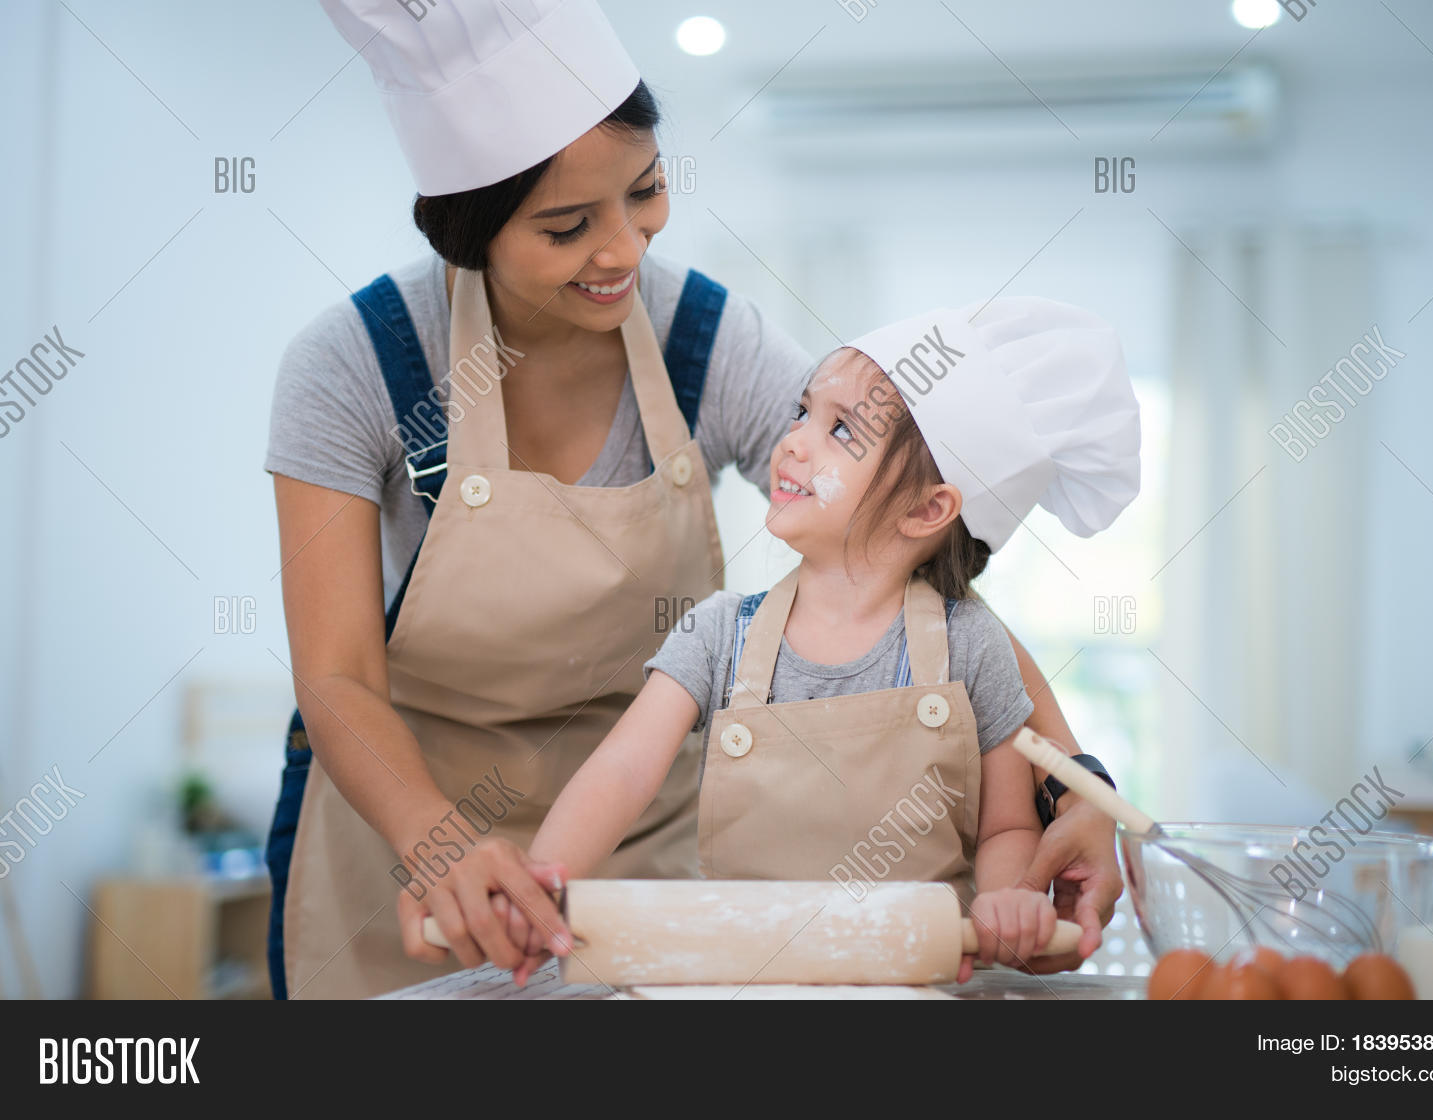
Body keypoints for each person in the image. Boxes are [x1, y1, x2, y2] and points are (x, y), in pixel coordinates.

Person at [267, 0, 1125, 999]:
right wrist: (438, 841)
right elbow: (335, 679)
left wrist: (1084, 781)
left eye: (646, 193)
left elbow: (900, 542)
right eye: (566, 226)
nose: (625, 250)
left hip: (644, 856)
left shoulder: (703, 343)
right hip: (401, 838)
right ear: (473, 233)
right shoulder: (358, 365)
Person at [411, 296, 1140, 986]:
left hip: (919, 983)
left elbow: (1010, 821)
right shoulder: (718, 632)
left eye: (840, 429)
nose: (793, 441)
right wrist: (540, 883)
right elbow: (621, 775)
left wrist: (1009, 896)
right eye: (802, 412)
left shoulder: (971, 645)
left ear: (929, 508)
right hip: (738, 982)